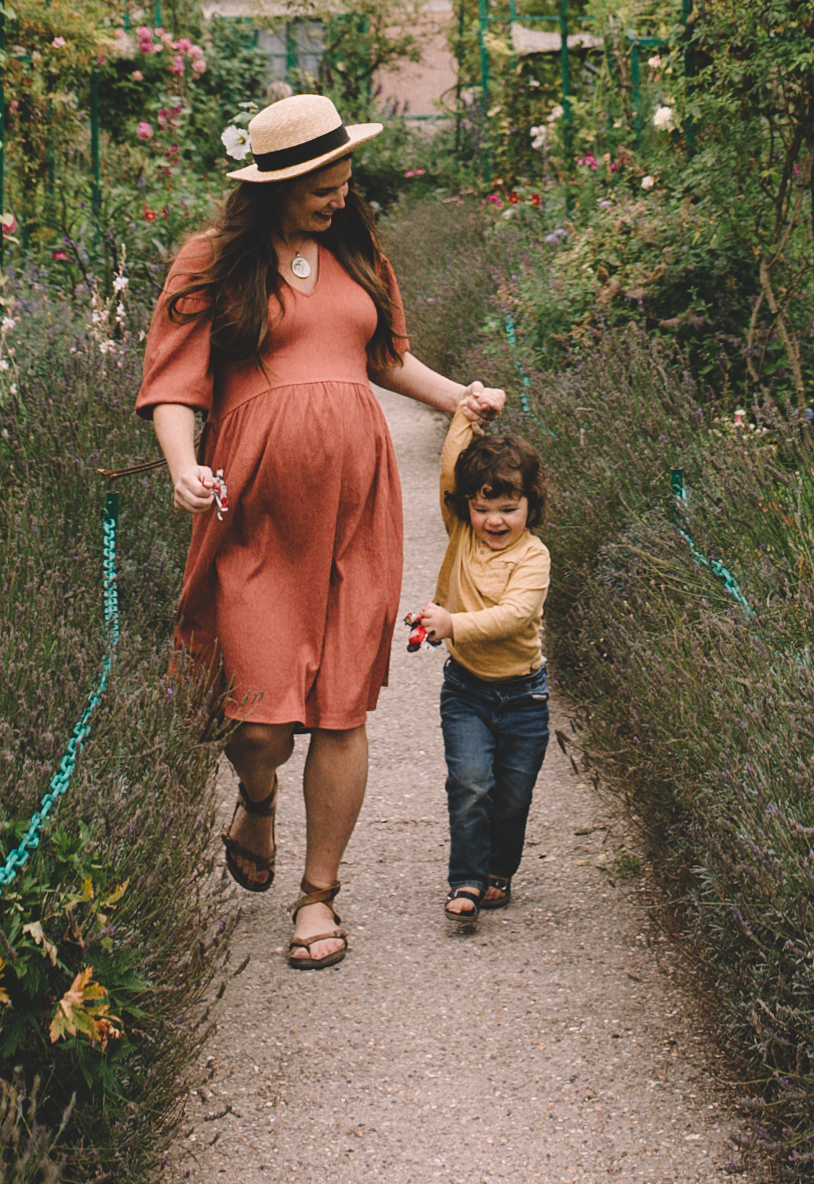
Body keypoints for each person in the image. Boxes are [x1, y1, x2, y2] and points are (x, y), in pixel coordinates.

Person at [138, 92, 505, 973]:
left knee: (342, 708)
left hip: (357, 508)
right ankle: (255, 796)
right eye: (319, 187)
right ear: (274, 185)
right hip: (256, 511)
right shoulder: (212, 263)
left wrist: (456, 394)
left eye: (345, 181)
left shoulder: (356, 252)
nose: (338, 197)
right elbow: (175, 383)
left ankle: (317, 898)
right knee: (259, 720)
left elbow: (384, 356)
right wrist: (182, 465)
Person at [412, 405, 552, 933]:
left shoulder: (533, 558)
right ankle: (466, 878)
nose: (495, 520)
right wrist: (463, 416)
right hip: (467, 691)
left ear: (529, 506)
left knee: (513, 794)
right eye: (482, 506)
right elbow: (451, 470)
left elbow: (515, 617)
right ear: (466, 507)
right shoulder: (462, 536)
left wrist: (452, 623)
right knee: (470, 783)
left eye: (509, 508)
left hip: (523, 698)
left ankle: (499, 869)